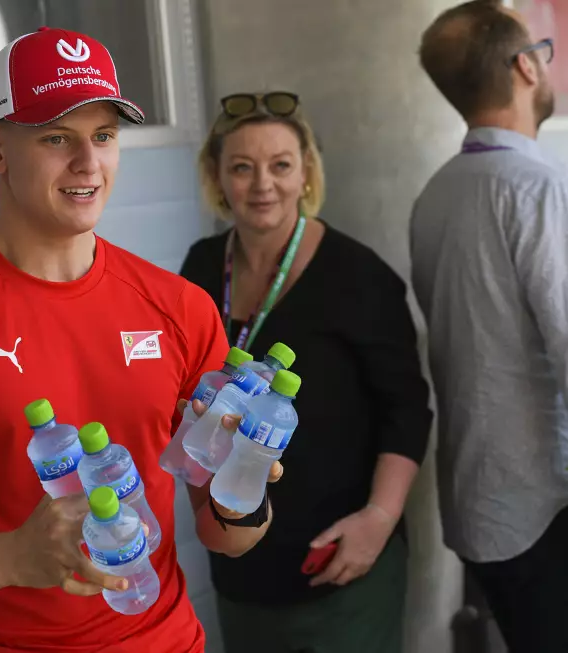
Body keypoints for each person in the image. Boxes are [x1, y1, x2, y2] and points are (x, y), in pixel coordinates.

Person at [0, 27, 281, 653]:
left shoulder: (178, 308)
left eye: (103, 136)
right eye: (55, 137)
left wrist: (243, 492)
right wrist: (15, 555)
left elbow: (224, 533)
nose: (87, 164)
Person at [179, 91, 432, 653]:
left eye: (280, 165)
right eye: (241, 167)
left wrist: (379, 518)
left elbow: (408, 411)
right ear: (217, 178)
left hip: (340, 559)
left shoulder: (359, 275)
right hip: (240, 556)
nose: (262, 184)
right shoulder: (198, 267)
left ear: (306, 173)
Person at [412, 2, 568, 651]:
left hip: (481, 498)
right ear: (524, 66)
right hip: (544, 506)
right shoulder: (532, 187)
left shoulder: (436, 194)